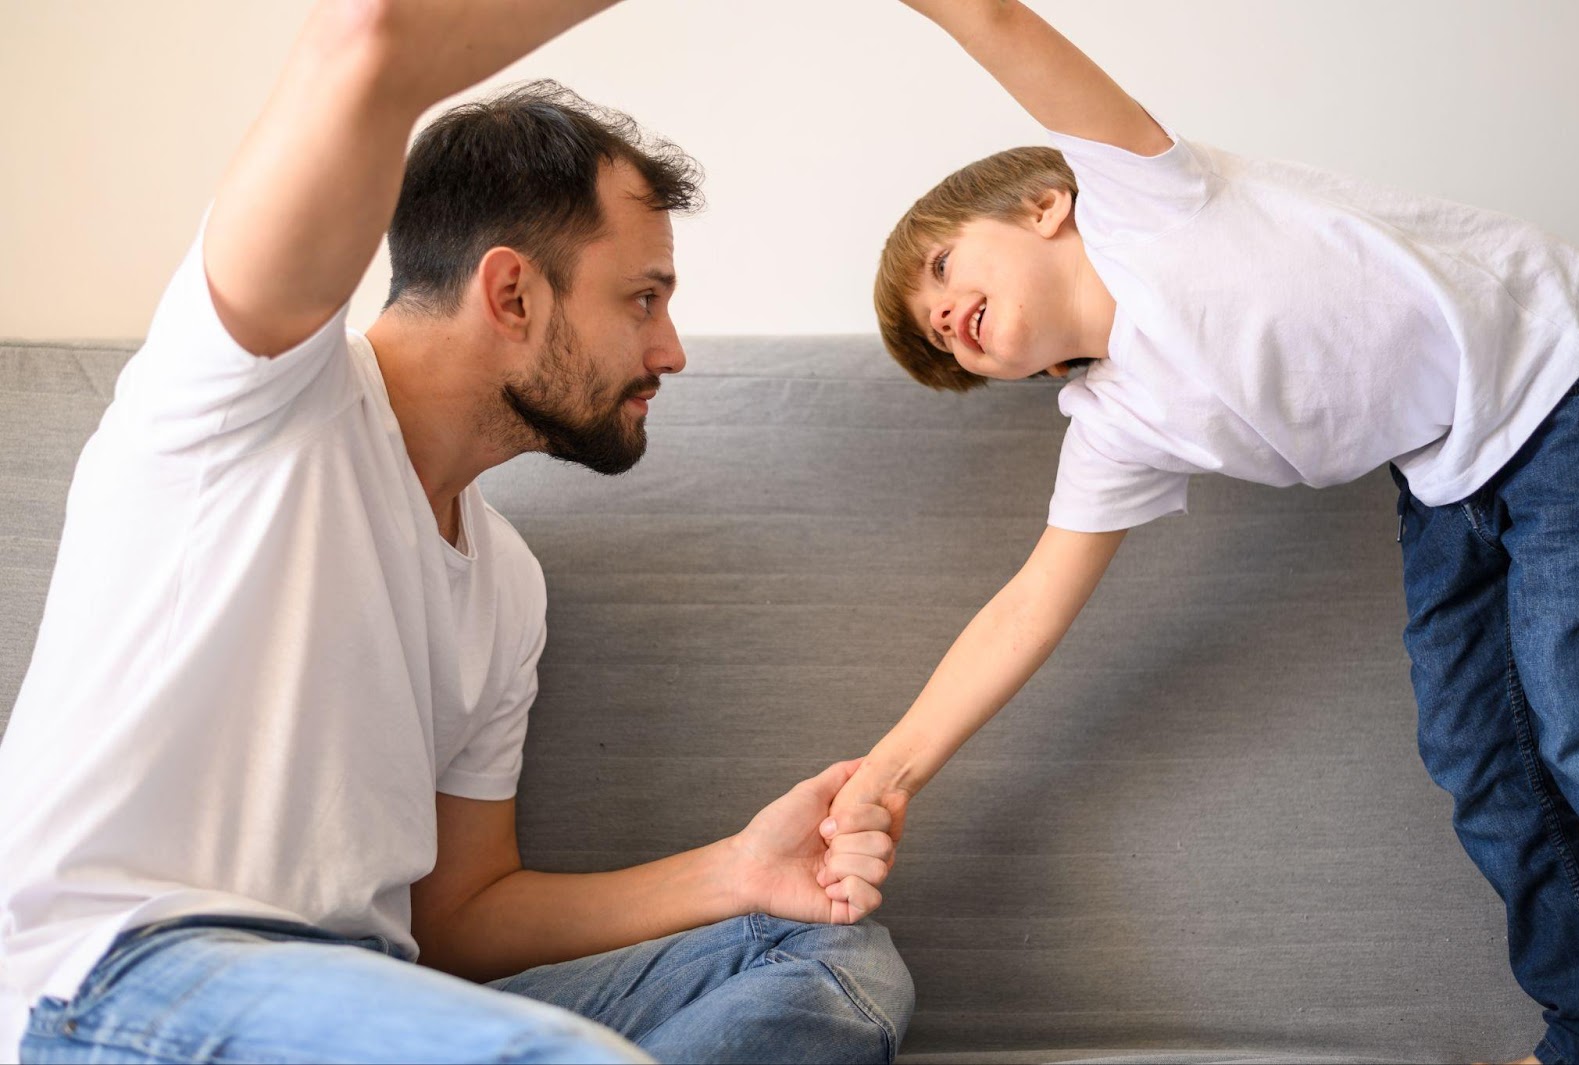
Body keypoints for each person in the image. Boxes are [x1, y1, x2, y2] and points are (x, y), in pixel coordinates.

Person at [0, 3, 913, 1063]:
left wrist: (737, 873)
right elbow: (364, 43)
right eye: (643, 297)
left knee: (832, 969)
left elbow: (459, 916)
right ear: (511, 292)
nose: (669, 350)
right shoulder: (250, 396)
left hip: (373, 998)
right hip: (113, 980)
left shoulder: (507, 587)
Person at [821, 2, 1579, 1062]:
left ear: (1048, 205)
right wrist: (894, 768)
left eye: (945, 270)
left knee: (1574, 710)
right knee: (1474, 750)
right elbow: (1027, 605)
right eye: (939, 346)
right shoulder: (1113, 421)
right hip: (1445, 474)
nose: (945, 320)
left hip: (1560, 385)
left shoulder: (1147, 200)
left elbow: (997, 21)